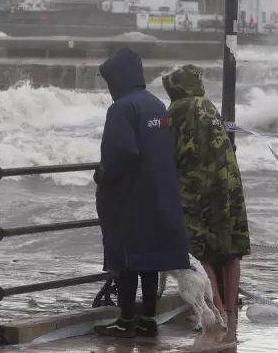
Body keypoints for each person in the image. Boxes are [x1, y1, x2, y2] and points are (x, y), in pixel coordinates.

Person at [93, 47, 190, 339]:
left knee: (125, 260)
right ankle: (148, 318)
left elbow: (123, 153)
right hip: (159, 193)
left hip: (130, 198)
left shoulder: (122, 108)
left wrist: (102, 174)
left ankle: (125, 320)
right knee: (151, 259)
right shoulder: (157, 106)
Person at [161, 64, 251, 322]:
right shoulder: (208, 105)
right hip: (229, 186)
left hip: (197, 188)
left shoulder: (178, 109)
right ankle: (232, 310)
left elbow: (168, 150)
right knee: (231, 250)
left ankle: (218, 307)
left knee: (201, 251)